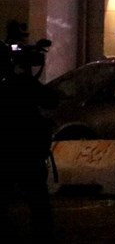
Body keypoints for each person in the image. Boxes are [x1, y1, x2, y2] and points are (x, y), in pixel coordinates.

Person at [0, 37, 58, 242]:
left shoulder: (12, 84)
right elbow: (50, 99)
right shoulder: (21, 84)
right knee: (37, 197)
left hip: (13, 150)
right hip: (25, 150)